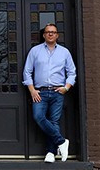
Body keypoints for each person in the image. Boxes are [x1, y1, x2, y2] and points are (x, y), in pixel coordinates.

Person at [22, 23, 75, 162]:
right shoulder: (35, 51)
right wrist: (32, 90)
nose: (50, 34)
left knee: (54, 121)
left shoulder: (64, 52)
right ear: (44, 35)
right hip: (40, 93)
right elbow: (27, 71)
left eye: (53, 32)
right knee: (38, 116)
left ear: (57, 35)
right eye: (48, 32)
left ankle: (51, 153)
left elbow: (72, 72)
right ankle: (61, 141)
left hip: (58, 92)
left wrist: (67, 87)